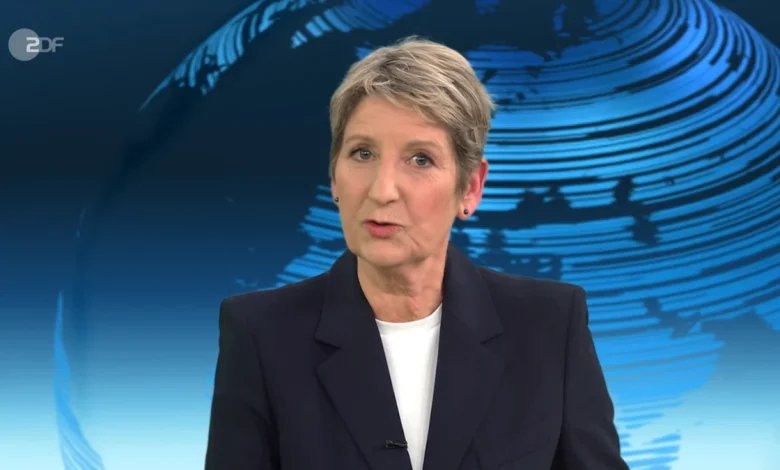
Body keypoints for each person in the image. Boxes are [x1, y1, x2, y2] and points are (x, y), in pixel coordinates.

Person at [205, 37, 628, 470]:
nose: (382, 190)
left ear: (470, 187)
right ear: (334, 177)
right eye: (362, 153)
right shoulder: (260, 333)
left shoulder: (550, 325)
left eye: (420, 159)